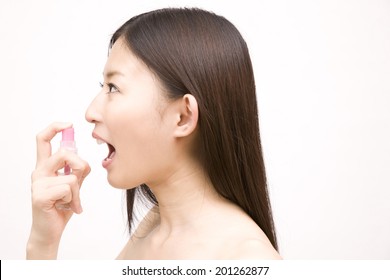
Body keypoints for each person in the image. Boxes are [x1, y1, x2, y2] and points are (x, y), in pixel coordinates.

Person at [27, 8, 281, 259]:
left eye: (113, 87)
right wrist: (43, 242)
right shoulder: (153, 231)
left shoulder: (248, 259)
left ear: (183, 117)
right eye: (102, 86)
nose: (90, 112)